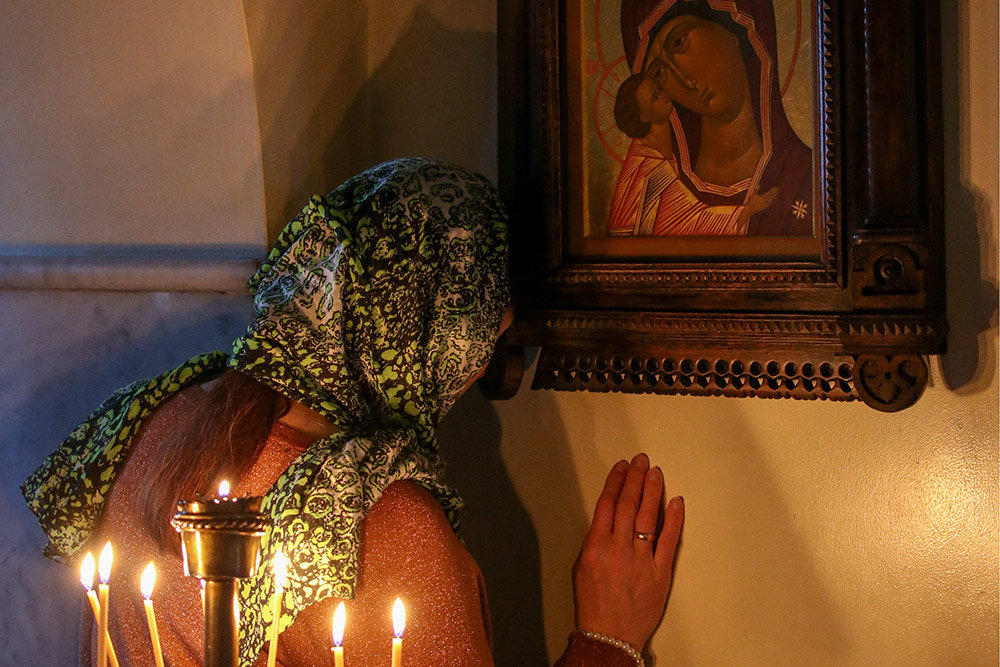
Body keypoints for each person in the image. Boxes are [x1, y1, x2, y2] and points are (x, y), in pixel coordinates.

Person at [22, 158, 684, 665]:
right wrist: (608, 640)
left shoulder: (149, 428)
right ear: (431, 334)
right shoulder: (389, 532)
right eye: (485, 334)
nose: (482, 367)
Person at [615, 0, 813, 236]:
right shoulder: (656, 189)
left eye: (679, 42)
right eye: (659, 73)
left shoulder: (807, 177)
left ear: (733, 28)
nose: (685, 81)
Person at [608, 67, 777, 235]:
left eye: (659, 88)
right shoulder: (648, 171)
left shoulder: (662, 153)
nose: (663, 94)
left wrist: (745, 209)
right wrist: (746, 211)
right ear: (643, 116)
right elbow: (690, 220)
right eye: (655, 97)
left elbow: (685, 217)